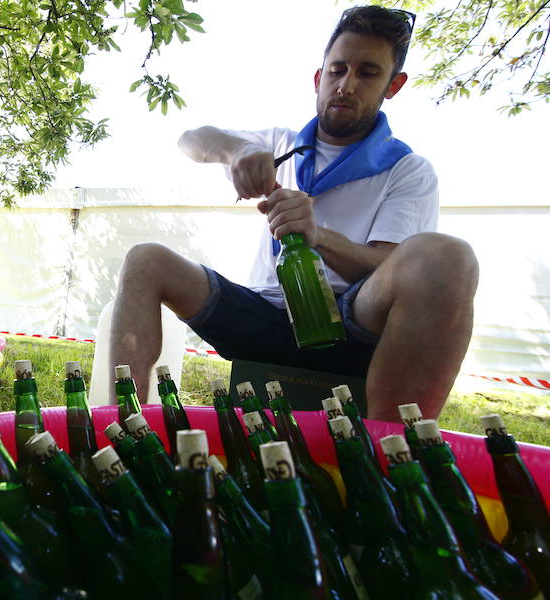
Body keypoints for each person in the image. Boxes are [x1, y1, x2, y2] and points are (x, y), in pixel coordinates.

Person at [108, 5, 479, 422]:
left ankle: (395, 452)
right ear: (319, 78)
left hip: (351, 326)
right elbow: (191, 139)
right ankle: (123, 431)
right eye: (337, 70)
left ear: (393, 86)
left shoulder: (407, 170)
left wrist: (318, 235)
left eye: (368, 73)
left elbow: (394, 270)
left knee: (447, 256)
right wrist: (236, 150)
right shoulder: (279, 143)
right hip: (263, 317)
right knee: (146, 259)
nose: (346, 84)